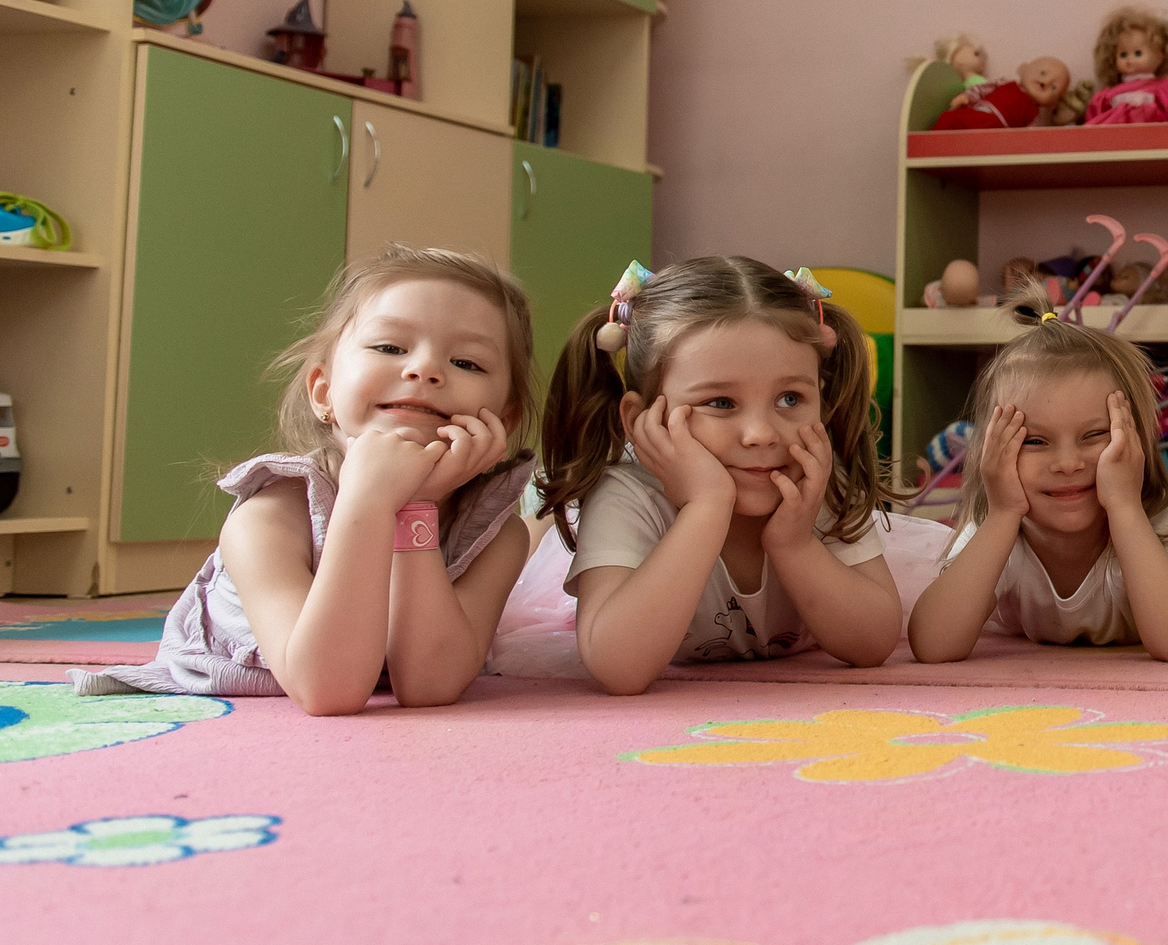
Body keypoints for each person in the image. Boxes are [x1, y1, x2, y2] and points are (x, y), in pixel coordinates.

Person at [75, 247, 535, 713]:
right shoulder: (271, 516)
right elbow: (327, 691)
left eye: (468, 363)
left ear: (504, 416)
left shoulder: (499, 535)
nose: (424, 370)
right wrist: (368, 504)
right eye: (390, 348)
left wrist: (414, 506)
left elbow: (429, 686)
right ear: (323, 393)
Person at [537, 257, 902, 694]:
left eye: (790, 398)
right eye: (721, 403)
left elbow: (874, 644)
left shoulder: (811, 478)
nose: (762, 434)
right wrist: (705, 508)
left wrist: (794, 544)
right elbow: (619, 668)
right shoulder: (629, 495)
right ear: (641, 418)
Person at [908, 304, 1168, 662]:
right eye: (1035, 441)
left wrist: (1124, 509)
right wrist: (1002, 514)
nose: (1068, 464)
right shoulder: (997, 523)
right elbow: (933, 646)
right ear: (992, 451)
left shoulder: (1151, 517)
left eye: (1094, 435)